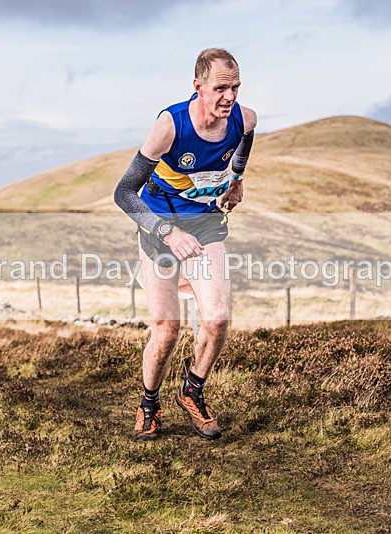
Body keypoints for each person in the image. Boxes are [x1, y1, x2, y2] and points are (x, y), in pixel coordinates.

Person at [113, 48, 257, 441]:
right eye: (220, 88)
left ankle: (192, 391)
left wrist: (237, 179)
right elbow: (124, 193)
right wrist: (167, 233)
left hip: (206, 226)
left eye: (236, 87)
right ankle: (148, 403)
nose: (229, 97)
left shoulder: (243, 118)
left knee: (218, 319)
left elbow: (245, 141)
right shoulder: (169, 126)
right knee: (167, 330)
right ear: (198, 87)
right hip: (159, 230)